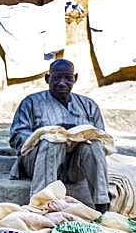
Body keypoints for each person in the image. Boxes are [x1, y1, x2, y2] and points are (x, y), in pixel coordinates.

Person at [8, 59, 109, 212]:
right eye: (56, 78)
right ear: (47, 78)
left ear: (75, 78)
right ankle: (42, 204)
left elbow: (102, 139)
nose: (62, 83)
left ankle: (102, 205)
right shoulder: (31, 102)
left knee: (94, 145)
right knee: (52, 141)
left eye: (68, 78)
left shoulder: (89, 105)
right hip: (37, 163)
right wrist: (45, 136)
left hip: (74, 168)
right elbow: (16, 138)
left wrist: (76, 138)